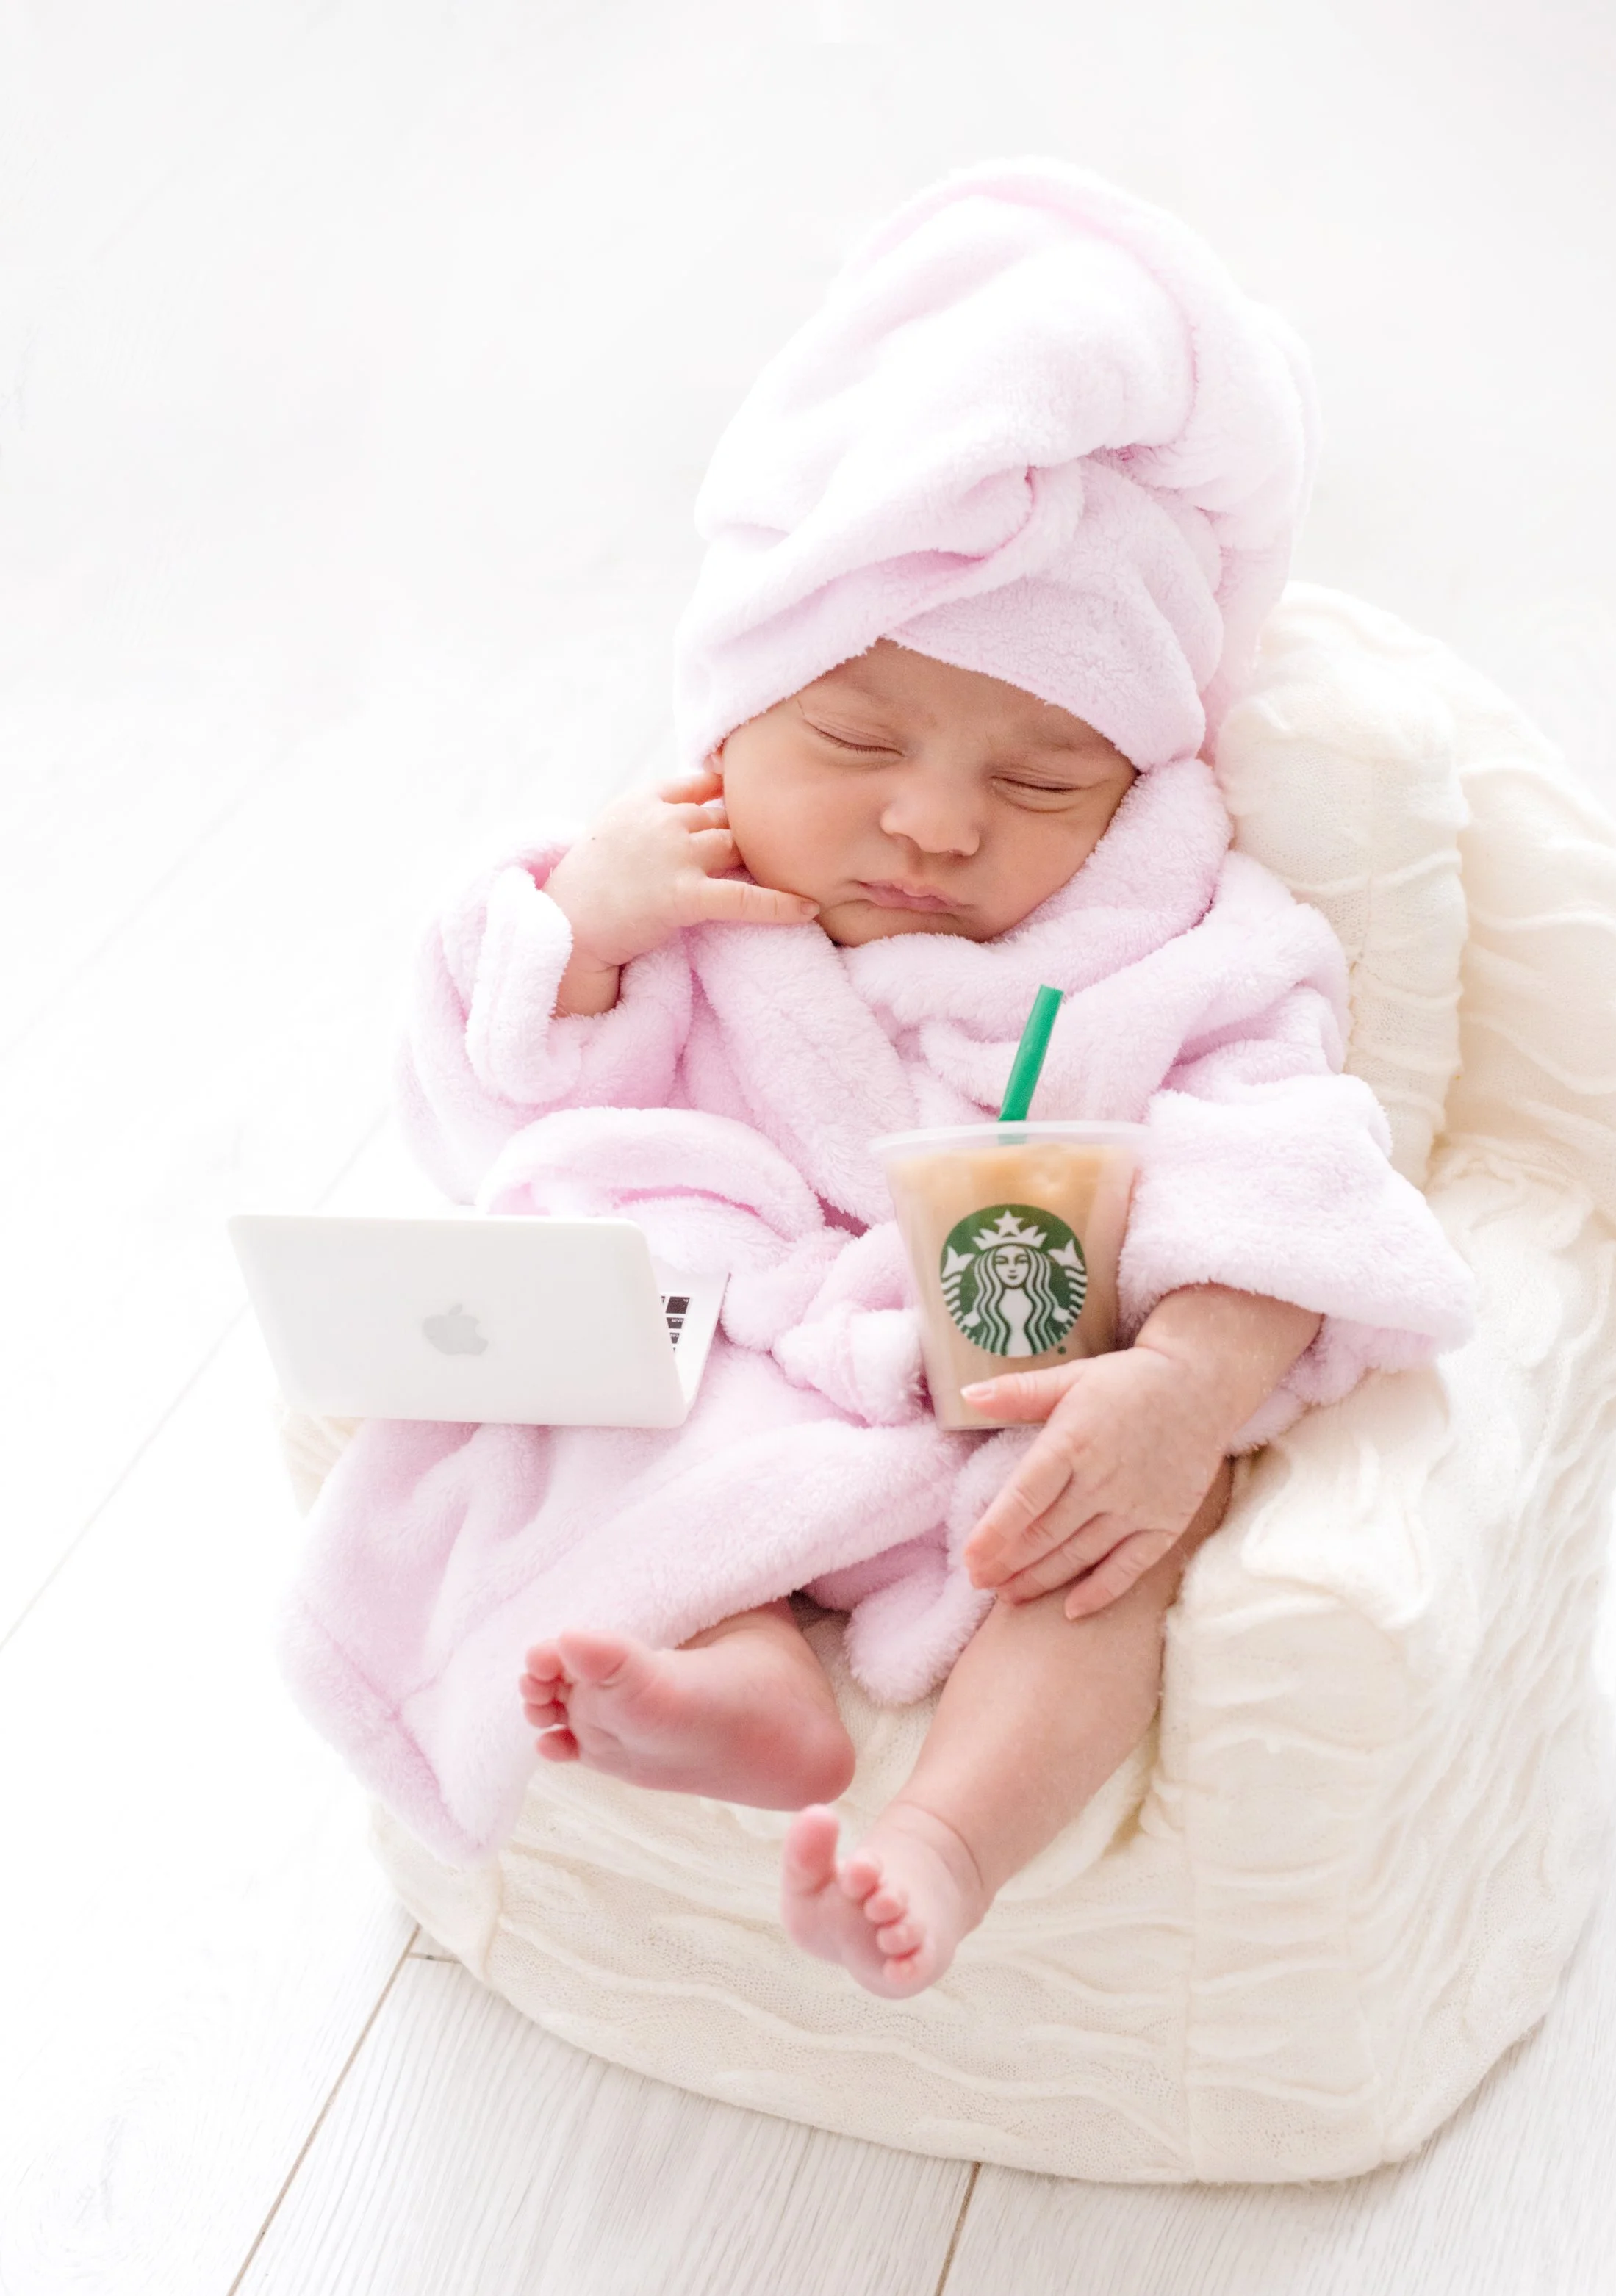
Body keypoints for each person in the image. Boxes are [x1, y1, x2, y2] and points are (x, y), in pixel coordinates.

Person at [281, 160, 1475, 2000]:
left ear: (1143, 791)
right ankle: (744, 1686)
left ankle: (942, 1842)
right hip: (743, 1355)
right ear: (735, 711)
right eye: (853, 737)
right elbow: (496, 1097)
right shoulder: (668, 878)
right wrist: (575, 929)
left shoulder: (1180, 942)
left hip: (1013, 1407)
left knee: (1098, 1569)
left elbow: (1295, 1170)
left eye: (1043, 782)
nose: (931, 821)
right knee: (619, 1439)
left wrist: (1182, 1380)